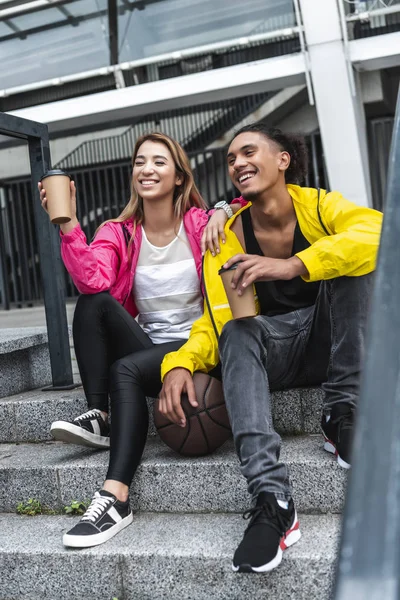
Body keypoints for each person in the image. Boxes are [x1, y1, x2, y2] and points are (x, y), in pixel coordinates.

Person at [159, 124, 383, 574]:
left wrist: (294, 265)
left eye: (249, 151)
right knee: (239, 333)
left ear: (283, 160)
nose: (238, 162)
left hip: (333, 342)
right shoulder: (225, 236)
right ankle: (272, 497)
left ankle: (340, 414)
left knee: (355, 263)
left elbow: (378, 233)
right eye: (230, 159)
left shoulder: (320, 205)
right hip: (274, 353)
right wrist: (178, 363)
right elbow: (215, 318)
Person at [39, 132, 247, 547]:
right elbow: (93, 279)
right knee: (93, 301)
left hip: (202, 353)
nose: (146, 169)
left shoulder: (202, 224)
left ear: (178, 176)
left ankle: (115, 496)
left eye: (158, 162)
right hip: (150, 350)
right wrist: (68, 225)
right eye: (139, 162)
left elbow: (252, 203)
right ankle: (98, 414)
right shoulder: (120, 232)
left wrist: (224, 209)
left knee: (125, 369)